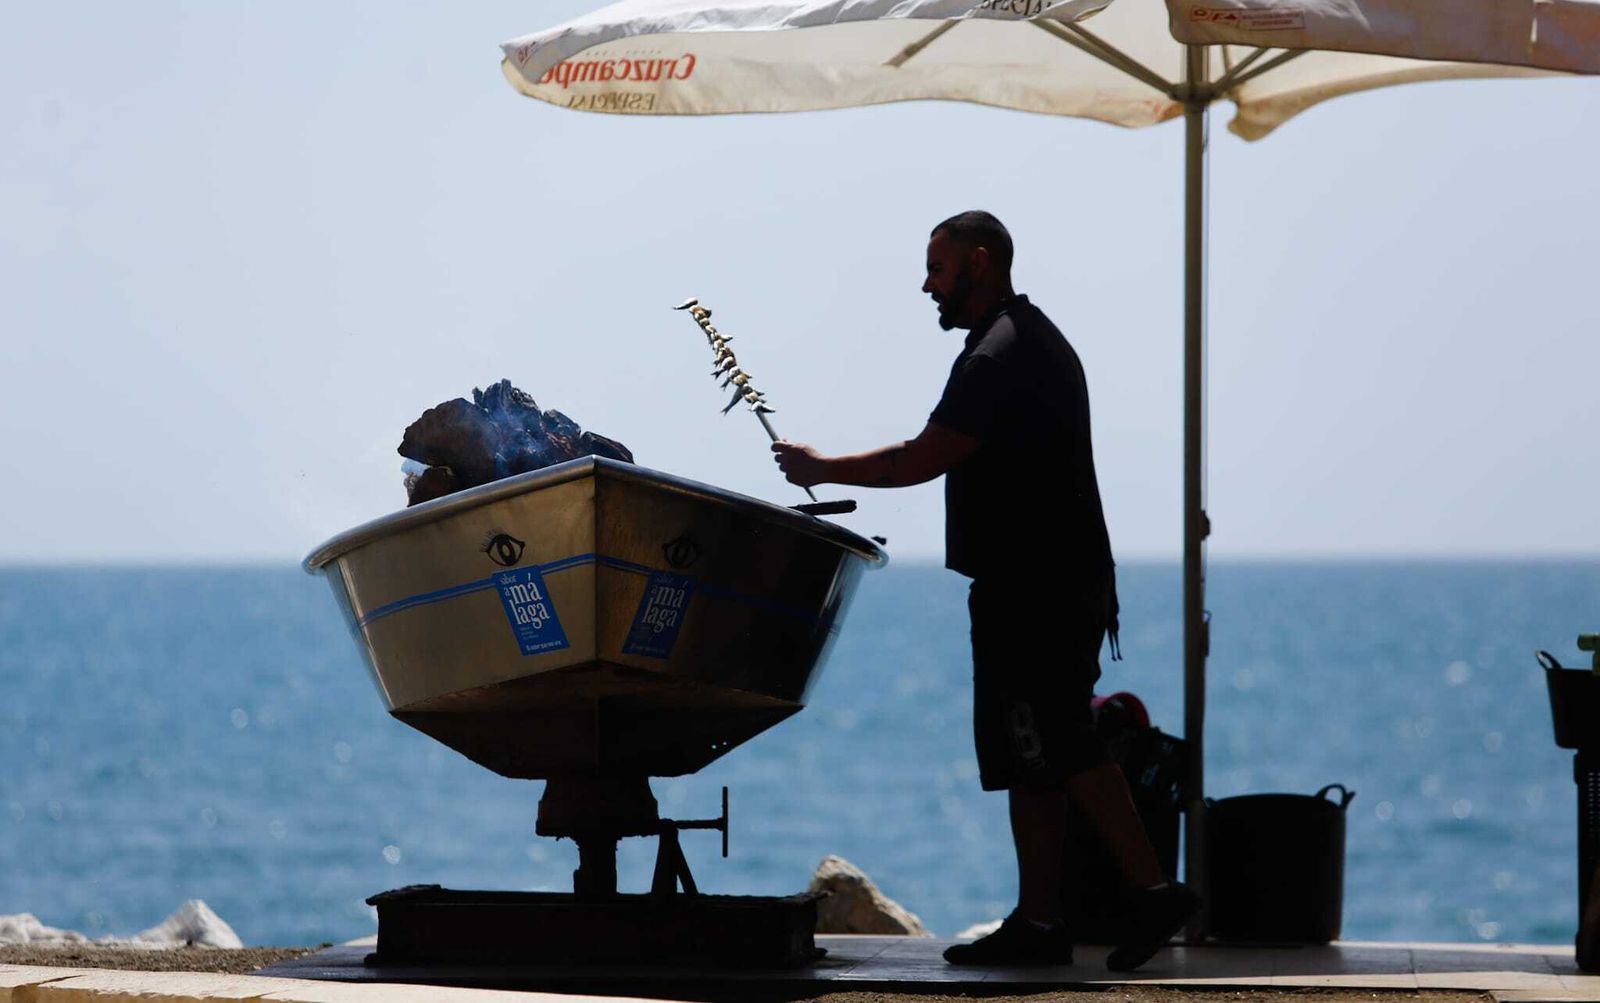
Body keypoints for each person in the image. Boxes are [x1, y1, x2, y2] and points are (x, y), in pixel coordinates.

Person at [772, 211, 1198, 971]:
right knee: (1029, 753)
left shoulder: (1002, 352)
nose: (927, 285)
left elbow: (922, 457)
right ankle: (1042, 921)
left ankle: (1155, 889)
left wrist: (821, 465)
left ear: (978, 260)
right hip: (1035, 585)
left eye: (937, 268)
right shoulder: (1018, 340)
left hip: (1040, 589)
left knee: (1060, 741)